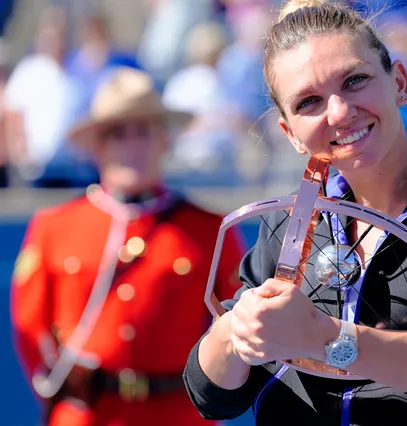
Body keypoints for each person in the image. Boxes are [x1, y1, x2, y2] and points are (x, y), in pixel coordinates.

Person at [182, 1, 407, 425]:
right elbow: (213, 397)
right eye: (308, 102)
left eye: (355, 80)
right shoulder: (287, 223)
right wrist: (234, 332)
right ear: (290, 134)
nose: (338, 112)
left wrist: (325, 337)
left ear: (400, 83)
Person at [10, 66, 246, 426]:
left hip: (179, 414)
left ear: (164, 141)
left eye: (144, 132)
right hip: (88, 414)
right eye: (119, 134)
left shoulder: (209, 230)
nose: (133, 146)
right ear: (98, 147)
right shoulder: (55, 227)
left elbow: (234, 326)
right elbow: (31, 326)